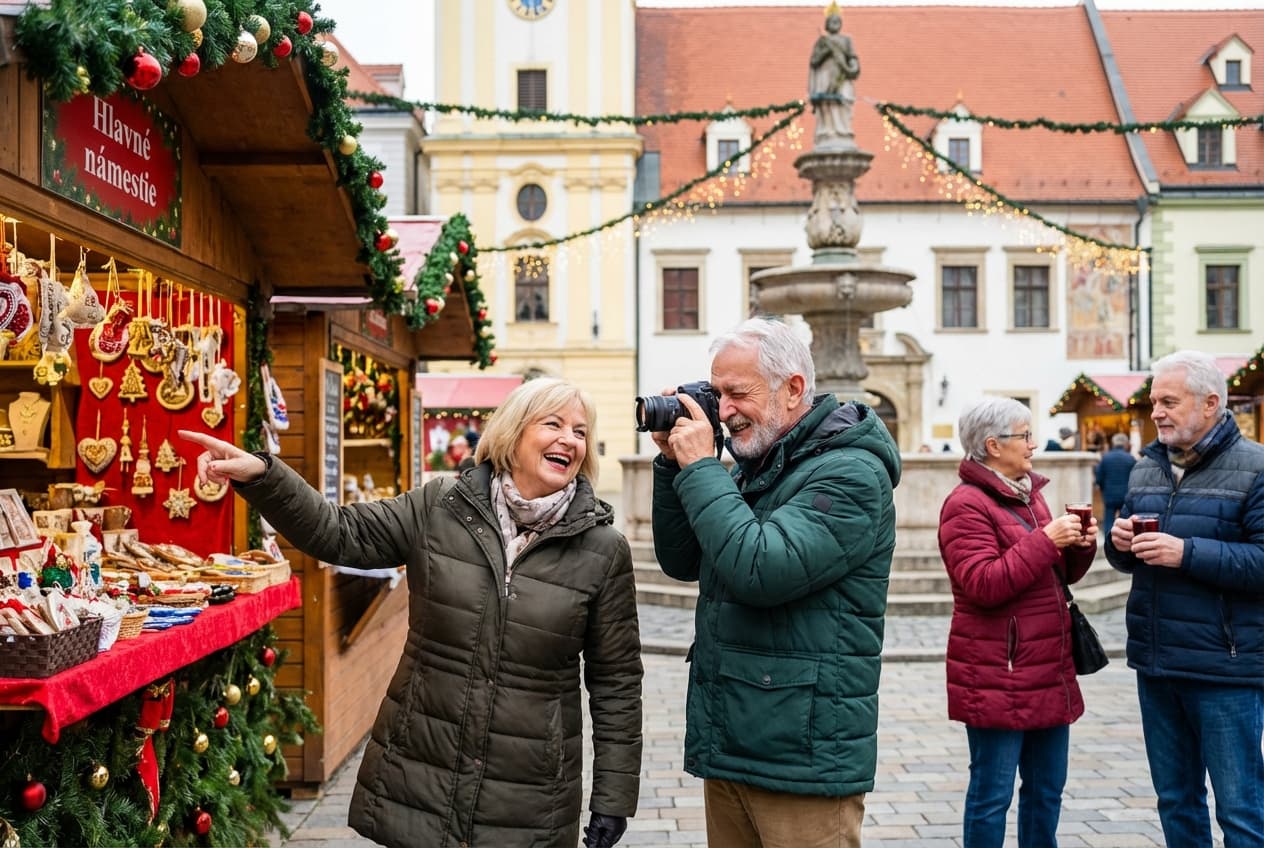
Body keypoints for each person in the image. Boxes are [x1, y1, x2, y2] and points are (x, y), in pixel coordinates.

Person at [180, 377, 643, 848]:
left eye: (581, 431)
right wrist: (262, 475)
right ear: (513, 432)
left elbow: (617, 683)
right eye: (554, 424)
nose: (570, 439)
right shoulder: (441, 507)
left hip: (529, 795)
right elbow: (339, 532)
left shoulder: (603, 551)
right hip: (423, 774)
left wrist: (615, 796)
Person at [648, 317, 899, 847]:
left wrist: (699, 469)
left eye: (737, 394)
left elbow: (760, 569)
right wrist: (674, 467)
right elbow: (681, 559)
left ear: (793, 389)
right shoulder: (754, 465)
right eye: (716, 395)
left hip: (802, 757)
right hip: (735, 736)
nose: (723, 411)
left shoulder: (851, 473)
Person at [1104, 350, 1264, 848]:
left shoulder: (1256, 467)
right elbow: (1127, 559)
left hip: (1226, 670)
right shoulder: (1145, 468)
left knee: (1239, 810)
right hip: (1157, 664)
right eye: (1154, 401)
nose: (1157, 412)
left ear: (1211, 402)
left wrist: (1186, 552)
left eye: (1169, 401)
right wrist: (1120, 544)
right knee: (1176, 802)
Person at [938, 397, 1097, 848]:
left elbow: (1056, 577)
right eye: (1024, 435)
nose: (1033, 443)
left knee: (1047, 792)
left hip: (1048, 665)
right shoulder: (964, 505)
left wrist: (1079, 545)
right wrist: (1046, 541)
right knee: (992, 795)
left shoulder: (1031, 494)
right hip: (997, 671)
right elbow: (982, 584)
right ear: (992, 445)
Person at [808, 9, 860, 147]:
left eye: (838, 21)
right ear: (826, 24)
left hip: (842, 77)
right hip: (825, 76)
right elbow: (814, 61)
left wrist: (853, 67)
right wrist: (826, 51)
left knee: (842, 102)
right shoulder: (822, 41)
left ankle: (843, 131)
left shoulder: (846, 40)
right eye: (832, 21)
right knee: (826, 103)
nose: (835, 24)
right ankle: (827, 131)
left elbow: (852, 58)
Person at [1094, 432, 1135, 531]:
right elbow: (1135, 479)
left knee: (1108, 521)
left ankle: (1108, 544)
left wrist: (1103, 489)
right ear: (1125, 444)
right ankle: (1123, 543)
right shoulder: (1130, 458)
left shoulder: (1106, 458)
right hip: (1126, 495)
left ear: (1113, 443)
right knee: (1124, 522)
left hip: (1109, 495)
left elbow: (1099, 477)